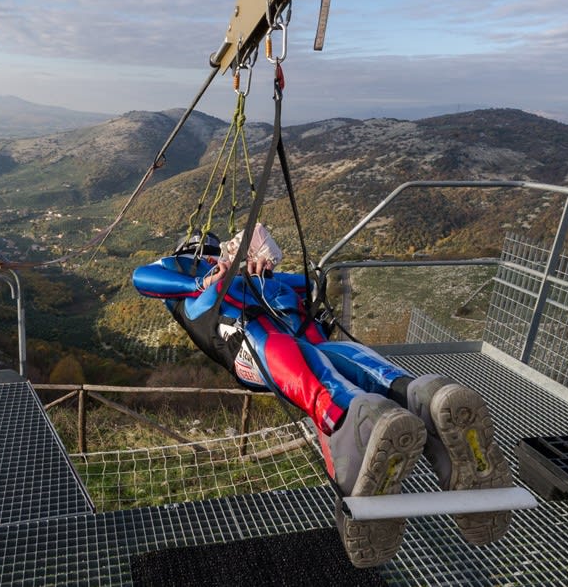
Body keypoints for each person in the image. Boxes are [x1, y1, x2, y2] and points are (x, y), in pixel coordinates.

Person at [132, 224, 513, 568]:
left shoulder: (223, 278)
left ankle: (351, 417)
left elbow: (306, 284)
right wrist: (211, 278)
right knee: (323, 354)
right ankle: (421, 395)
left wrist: (260, 265)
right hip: (256, 324)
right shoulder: (192, 274)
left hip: (266, 331)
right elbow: (144, 277)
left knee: (314, 356)